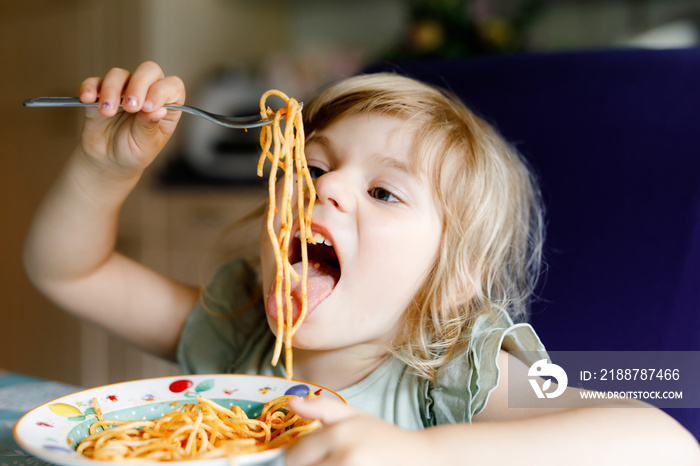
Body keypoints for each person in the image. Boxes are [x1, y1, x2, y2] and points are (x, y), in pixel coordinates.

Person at [23, 61, 699, 464]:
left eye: (383, 191)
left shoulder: (454, 375)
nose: (326, 188)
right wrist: (102, 172)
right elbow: (70, 272)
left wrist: (418, 455)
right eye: (309, 165)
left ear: (452, 280)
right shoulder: (238, 333)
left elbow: (665, 445)